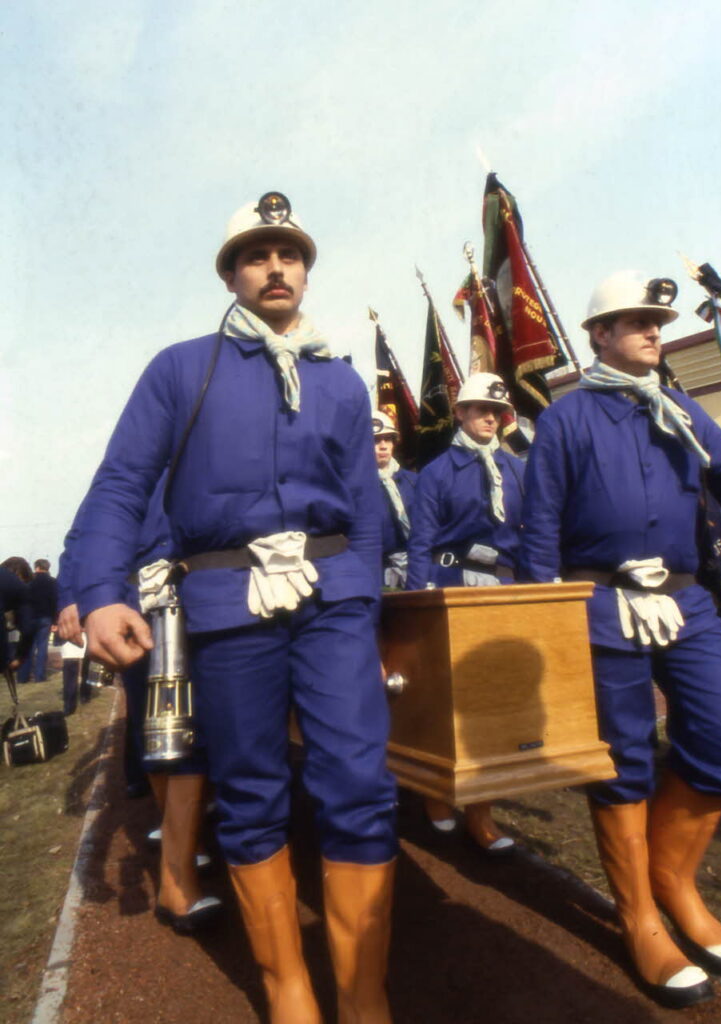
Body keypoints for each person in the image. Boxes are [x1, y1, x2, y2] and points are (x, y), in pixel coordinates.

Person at [73, 191, 396, 1023]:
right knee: (251, 789)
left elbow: (366, 509)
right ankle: (289, 991)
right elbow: (122, 483)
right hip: (226, 602)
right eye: (256, 255)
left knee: (360, 783)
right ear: (230, 276)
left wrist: (362, 604)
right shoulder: (182, 369)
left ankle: (363, 997)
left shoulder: (341, 382)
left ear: (306, 270)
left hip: (332, 599)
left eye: (289, 254)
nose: (275, 267)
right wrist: (100, 592)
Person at [519, 271, 721, 1008]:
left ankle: (673, 879)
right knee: (621, 761)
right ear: (599, 334)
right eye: (636, 320)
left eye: (658, 321)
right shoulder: (566, 418)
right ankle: (640, 918)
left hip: (685, 602)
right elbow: (539, 529)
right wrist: (549, 628)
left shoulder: (682, 410)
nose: (654, 330)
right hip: (598, 604)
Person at [58, 473, 220, 929]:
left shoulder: (207, 450)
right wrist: (71, 596)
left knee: (206, 722)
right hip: (140, 604)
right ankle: (180, 862)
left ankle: (189, 836)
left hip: (208, 594)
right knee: (161, 726)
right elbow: (83, 534)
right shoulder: (131, 466)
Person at [407, 372, 525, 854]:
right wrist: (417, 602)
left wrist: (539, 591)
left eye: (497, 412)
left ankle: (481, 812)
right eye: (480, 410)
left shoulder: (516, 470)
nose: (490, 419)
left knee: (495, 702)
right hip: (451, 584)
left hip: (503, 586)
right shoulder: (437, 472)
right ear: (459, 413)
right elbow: (421, 541)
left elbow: (533, 533)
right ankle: (436, 792)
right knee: (446, 697)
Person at [373, 410, 415, 589]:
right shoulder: (356, 487)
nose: (383, 446)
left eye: (388, 439)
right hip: (377, 573)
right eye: (376, 440)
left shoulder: (414, 482)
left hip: (415, 570)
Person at [17, 558, 58, 682]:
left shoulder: (29, 581)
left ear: (37, 568)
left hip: (29, 617)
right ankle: (39, 676)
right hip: (45, 618)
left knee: (28, 647)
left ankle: (23, 676)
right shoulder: (53, 582)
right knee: (42, 647)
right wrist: (55, 621)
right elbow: (55, 602)